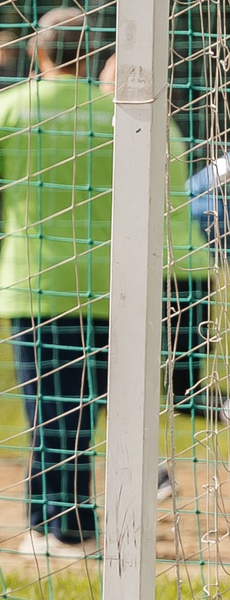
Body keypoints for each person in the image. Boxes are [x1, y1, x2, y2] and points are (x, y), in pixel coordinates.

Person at [0, 9, 112, 560]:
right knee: (85, 408)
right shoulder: (118, 112)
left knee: (47, 407)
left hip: (31, 280)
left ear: (37, 51)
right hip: (106, 281)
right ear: (91, 52)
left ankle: (58, 527)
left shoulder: (5, 107)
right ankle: (67, 521)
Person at [105, 54, 214, 431]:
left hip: (161, 269)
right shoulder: (168, 125)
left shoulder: (125, 127)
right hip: (190, 266)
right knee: (176, 389)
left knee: (136, 383)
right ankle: (156, 473)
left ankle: (153, 473)